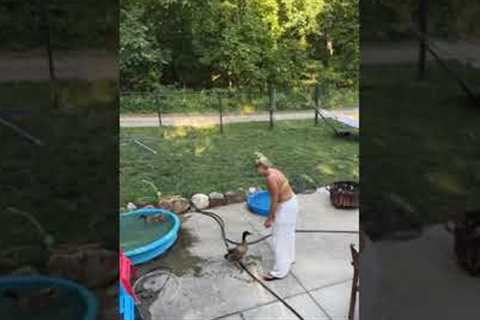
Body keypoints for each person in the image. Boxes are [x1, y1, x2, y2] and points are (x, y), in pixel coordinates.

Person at [254, 152, 298, 281]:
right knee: (288, 234)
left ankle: (280, 271)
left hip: (285, 207)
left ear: (262, 167)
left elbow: (274, 200)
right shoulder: (274, 171)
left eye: (257, 168)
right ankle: (290, 259)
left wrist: (270, 218)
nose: (257, 171)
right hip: (292, 202)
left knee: (279, 239)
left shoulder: (270, 179)